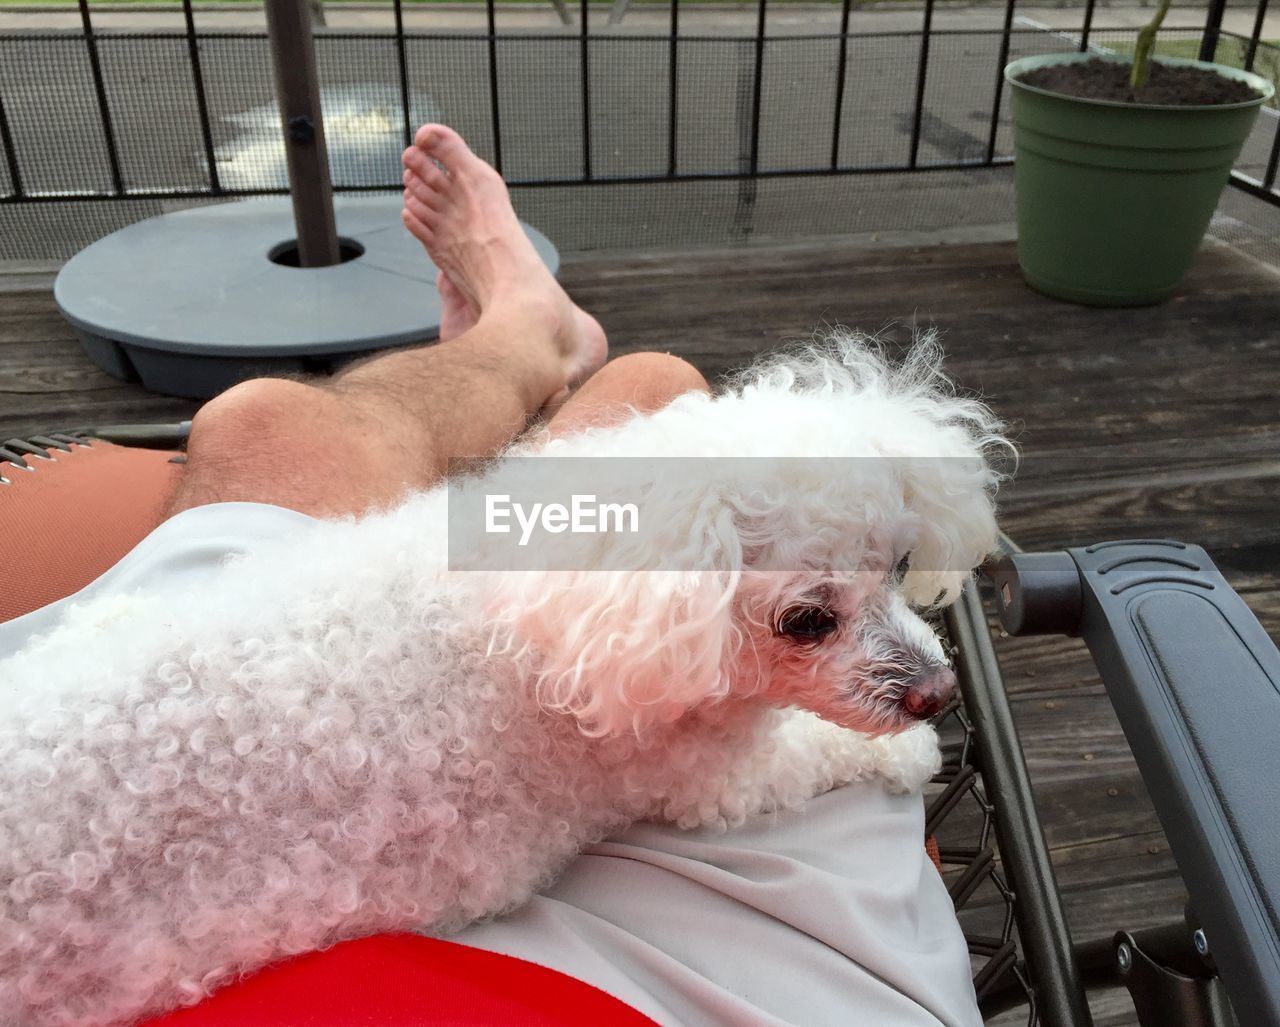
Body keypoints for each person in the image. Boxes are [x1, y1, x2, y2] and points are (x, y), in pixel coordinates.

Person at [0, 125, 981, 1026]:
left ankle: (521, 340)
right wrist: (879, 742)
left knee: (277, 424)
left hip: (156, 715)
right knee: (656, 387)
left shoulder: (614, 601)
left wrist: (793, 609)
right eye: (812, 620)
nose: (917, 669)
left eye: (886, 571)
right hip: (641, 951)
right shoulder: (646, 701)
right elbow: (727, 768)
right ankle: (537, 352)